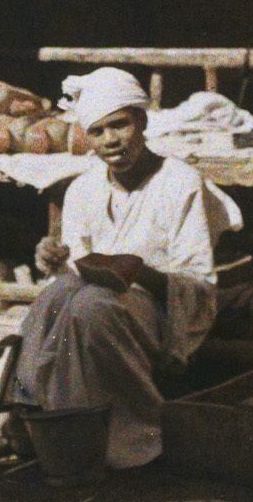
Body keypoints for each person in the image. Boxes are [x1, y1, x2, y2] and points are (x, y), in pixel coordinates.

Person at [11, 66, 219, 469]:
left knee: (93, 306)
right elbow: (72, 271)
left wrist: (134, 271)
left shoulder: (180, 182)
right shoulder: (83, 188)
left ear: (141, 122)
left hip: (156, 311)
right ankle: (36, 415)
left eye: (119, 125)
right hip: (89, 304)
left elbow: (198, 283)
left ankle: (134, 439)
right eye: (97, 131)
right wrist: (53, 260)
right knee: (56, 294)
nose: (110, 141)